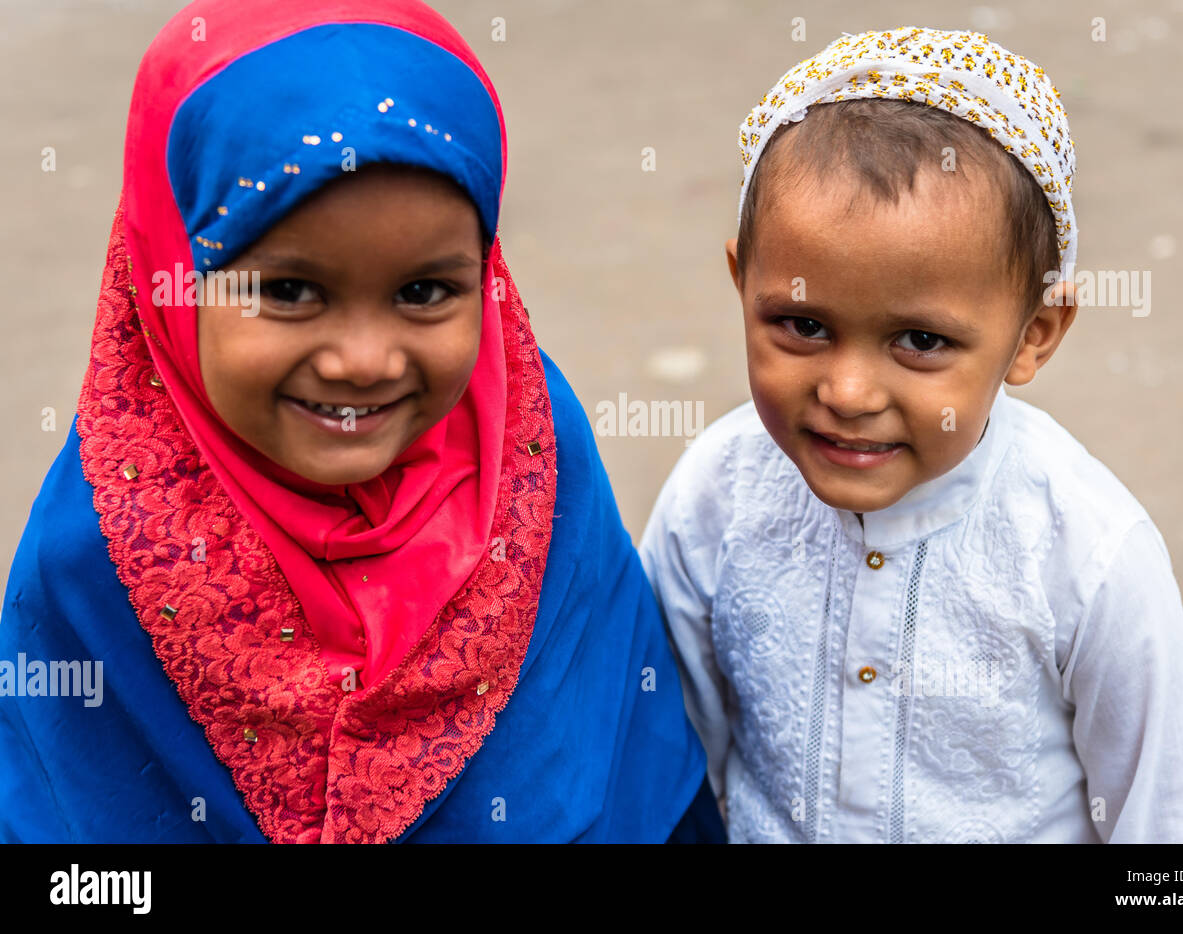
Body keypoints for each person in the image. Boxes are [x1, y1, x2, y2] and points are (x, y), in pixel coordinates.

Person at [0, 0, 721, 844]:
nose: (364, 360)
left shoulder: (534, 457)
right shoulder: (98, 559)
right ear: (170, 277)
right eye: (290, 291)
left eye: (424, 292)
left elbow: (635, 776)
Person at [638, 27, 1183, 843]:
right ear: (742, 281)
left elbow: (1176, 825)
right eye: (801, 324)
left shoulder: (1087, 555)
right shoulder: (713, 496)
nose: (847, 392)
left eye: (919, 342)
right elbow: (667, 765)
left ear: (1034, 333)